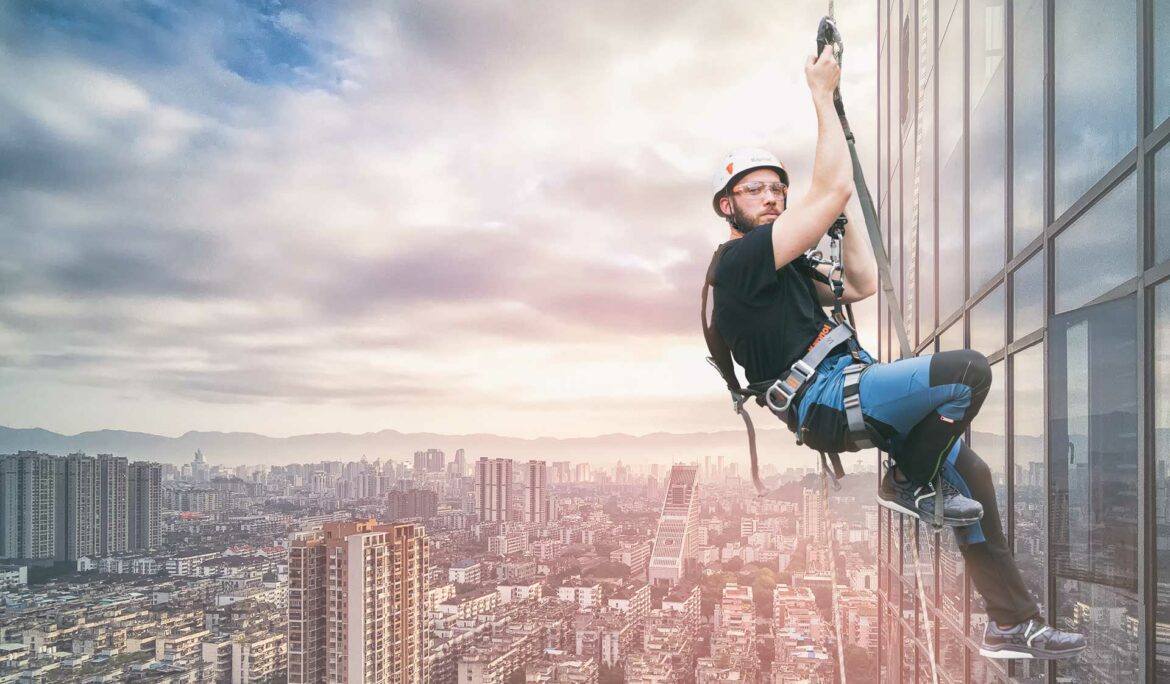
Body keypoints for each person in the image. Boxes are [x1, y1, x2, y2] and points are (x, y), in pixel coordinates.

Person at [706, 44, 1085, 660]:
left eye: (779, 189)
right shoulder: (739, 264)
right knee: (965, 375)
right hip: (826, 399)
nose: (773, 198)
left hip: (850, 387)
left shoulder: (786, 274)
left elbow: (860, 283)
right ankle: (906, 476)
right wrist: (822, 97)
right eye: (756, 192)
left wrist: (841, 208)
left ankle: (1011, 622)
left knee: (972, 475)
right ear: (729, 206)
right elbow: (826, 190)